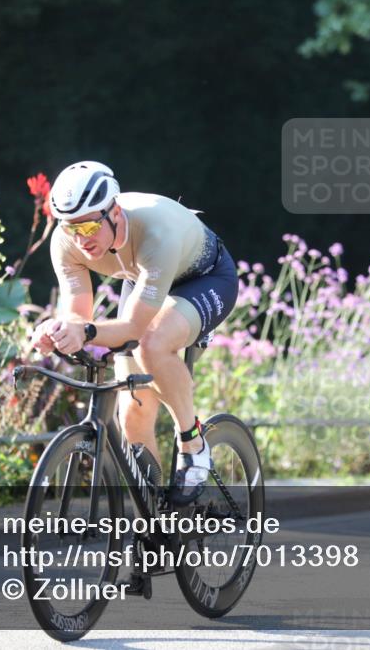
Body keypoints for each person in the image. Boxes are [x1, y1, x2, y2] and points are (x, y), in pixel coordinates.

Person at [30, 161, 239, 503]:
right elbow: (76, 312)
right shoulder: (66, 242)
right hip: (140, 278)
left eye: (88, 228)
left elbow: (133, 328)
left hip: (204, 278)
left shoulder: (156, 231)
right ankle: (157, 517)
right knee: (132, 412)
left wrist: (86, 330)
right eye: (70, 229)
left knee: (152, 344)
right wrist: (58, 329)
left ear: (114, 211)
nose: (81, 240)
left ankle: (193, 442)